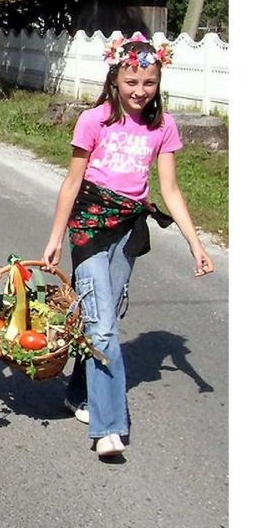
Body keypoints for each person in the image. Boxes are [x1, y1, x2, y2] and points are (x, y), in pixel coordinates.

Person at [42, 33, 214, 460]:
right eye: (131, 81)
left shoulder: (163, 126)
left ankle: (78, 393)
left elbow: (170, 190)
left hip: (128, 229)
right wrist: (55, 238)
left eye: (149, 82)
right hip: (88, 226)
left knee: (103, 317)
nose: (140, 91)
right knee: (103, 327)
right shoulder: (93, 121)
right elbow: (72, 182)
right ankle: (109, 428)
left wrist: (196, 244)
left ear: (159, 81)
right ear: (115, 77)